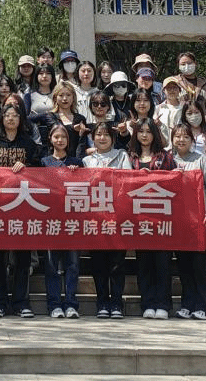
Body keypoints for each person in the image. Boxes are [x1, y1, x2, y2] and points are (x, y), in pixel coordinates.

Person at [0, 104, 39, 318]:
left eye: (15, 115)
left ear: (21, 119)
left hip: (23, 206)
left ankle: (21, 302)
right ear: (1, 119)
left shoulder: (29, 143)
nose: (10, 118)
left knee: (23, 258)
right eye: (7, 115)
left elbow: (39, 170)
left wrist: (26, 167)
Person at [81, 122, 132, 318]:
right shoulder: (86, 160)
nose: (102, 138)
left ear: (113, 138)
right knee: (98, 262)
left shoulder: (122, 155)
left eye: (106, 135)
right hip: (95, 217)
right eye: (98, 134)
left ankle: (117, 303)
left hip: (118, 216)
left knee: (117, 262)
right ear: (92, 138)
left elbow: (127, 180)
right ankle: (102, 302)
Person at [128, 118, 176, 319]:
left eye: (148, 131)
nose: (145, 135)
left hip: (162, 217)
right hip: (139, 218)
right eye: (141, 131)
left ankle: (163, 304)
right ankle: (147, 303)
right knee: (144, 263)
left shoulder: (165, 156)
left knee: (163, 263)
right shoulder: (130, 157)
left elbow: (175, 182)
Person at [170, 123, 206, 319]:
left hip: (199, 219)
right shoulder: (169, 160)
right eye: (177, 136)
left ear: (192, 140)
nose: (181, 140)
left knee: (201, 265)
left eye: (186, 137)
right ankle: (188, 304)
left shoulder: (201, 160)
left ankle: (205, 307)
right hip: (177, 221)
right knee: (184, 265)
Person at [40, 123, 81, 319]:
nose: (60, 140)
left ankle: (71, 303)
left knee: (72, 265)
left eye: (63, 137)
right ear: (50, 139)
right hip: (51, 221)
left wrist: (77, 173)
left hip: (72, 221)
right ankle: (54, 304)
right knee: (51, 265)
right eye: (56, 136)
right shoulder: (44, 162)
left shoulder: (77, 162)